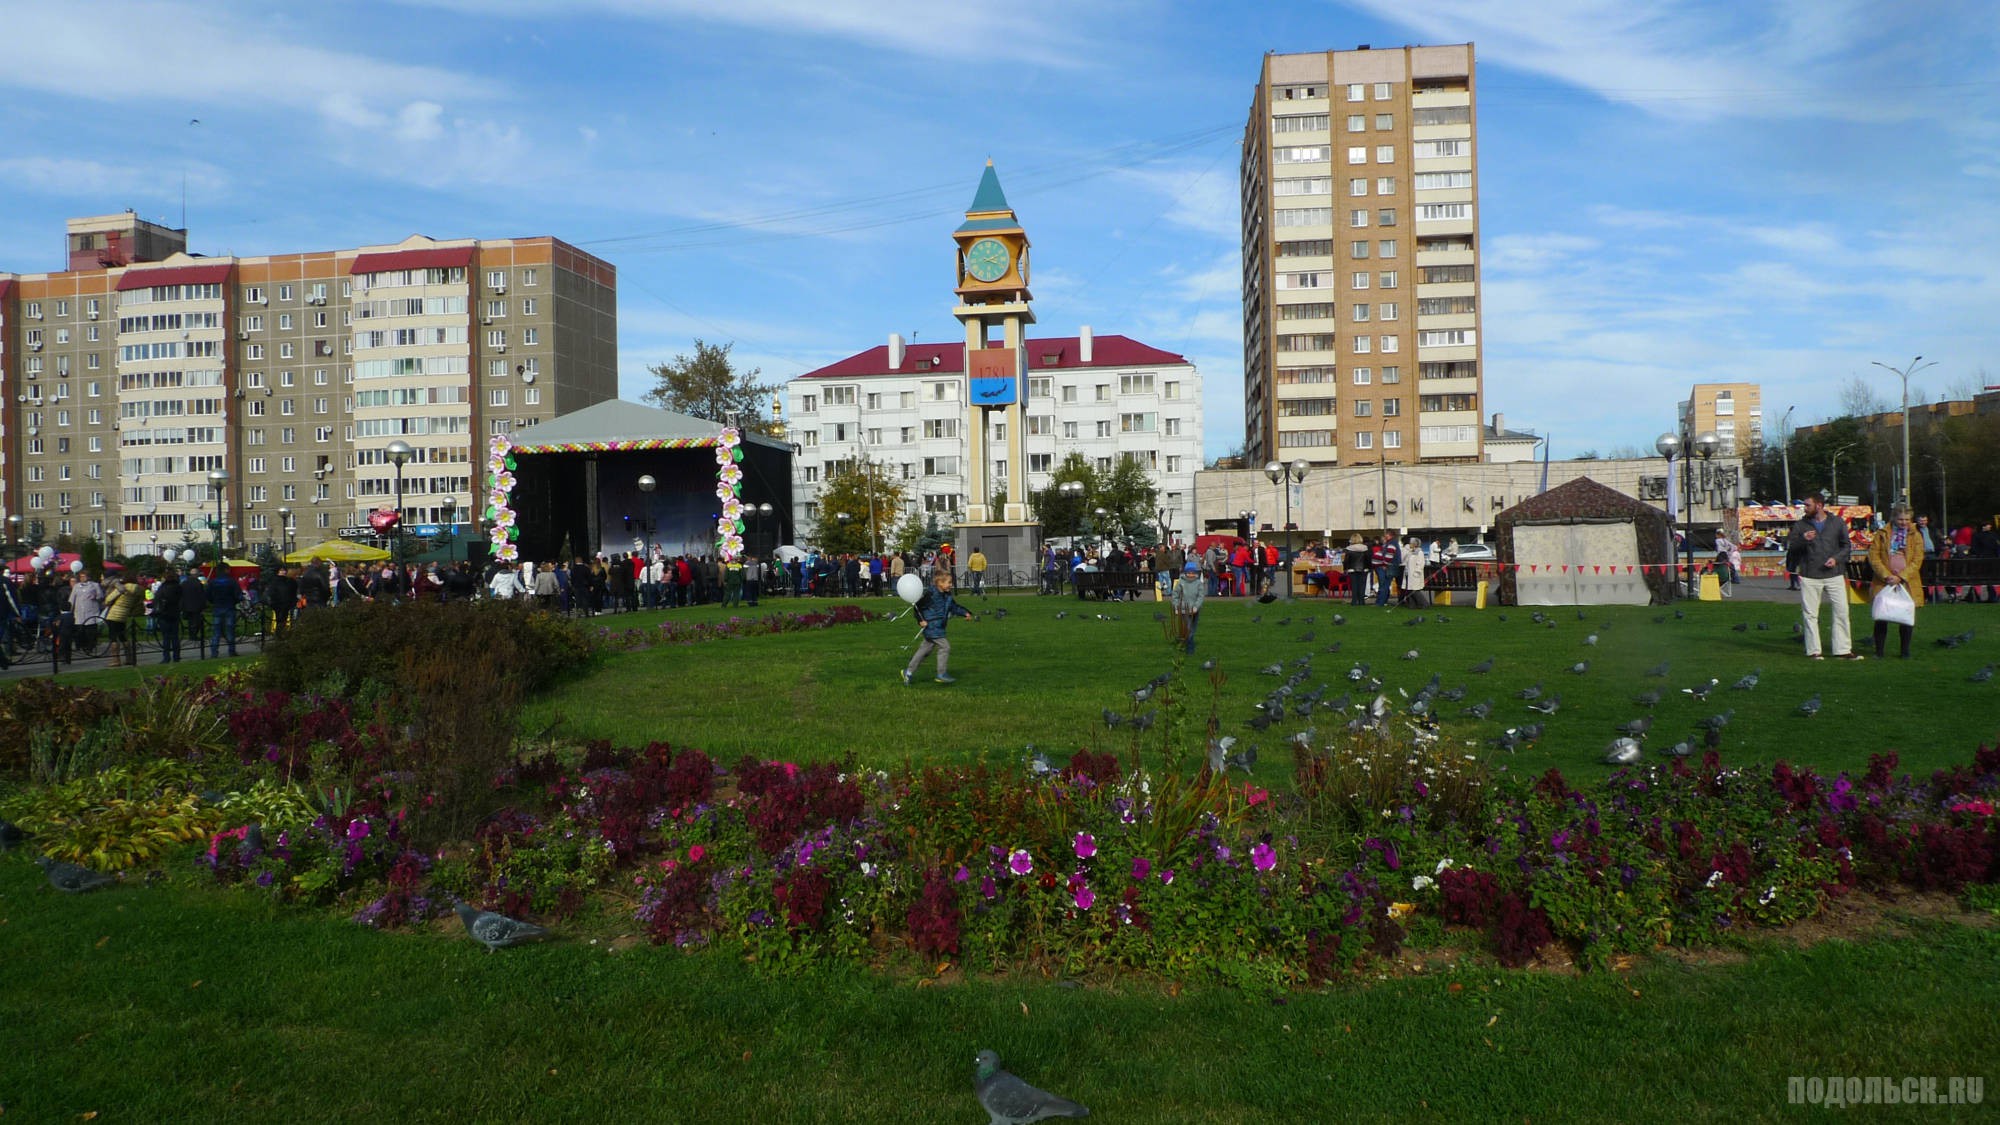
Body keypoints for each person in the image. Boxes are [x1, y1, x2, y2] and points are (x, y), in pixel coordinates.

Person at [1793, 492, 1861, 660]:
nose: (1804, 508)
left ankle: (1843, 650)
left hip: (1834, 574)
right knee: (1810, 614)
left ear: (1819, 505)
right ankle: (1814, 651)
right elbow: (1791, 546)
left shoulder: (1837, 522)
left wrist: (1836, 559)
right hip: (1809, 574)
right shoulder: (1801, 525)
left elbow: (1846, 546)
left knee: (1841, 611)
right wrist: (1803, 539)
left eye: (1808, 505)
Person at [1868, 506, 1925, 659]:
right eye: (1900, 519)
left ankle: (1905, 652)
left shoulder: (1916, 535)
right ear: (1893, 518)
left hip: (1907, 582)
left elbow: (1917, 559)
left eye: (1907, 519)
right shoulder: (1882, 534)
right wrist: (1886, 576)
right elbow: (1874, 557)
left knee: (1905, 616)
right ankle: (1879, 652)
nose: (1904, 522)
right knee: (1882, 616)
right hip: (1884, 581)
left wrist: (1901, 576)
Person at [902, 569, 974, 685]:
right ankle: (941, 673)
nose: (951, 585)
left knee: (924, 651)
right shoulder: (930, 594)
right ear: (940, 583)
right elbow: (917, 607)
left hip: (938, 627)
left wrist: (965, 612)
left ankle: (908, 671)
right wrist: (920, 620)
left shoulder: (947, 596)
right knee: (945, 647)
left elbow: (954, 607)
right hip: (932, 627)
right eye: (949, 582)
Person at [206, 566, 243, 658]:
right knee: (230, 631)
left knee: (216, 633)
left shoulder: (213, 582)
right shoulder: (232, 581)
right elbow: (238, 595)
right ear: (226, 570)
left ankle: (214, 653)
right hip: (229, 607)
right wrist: (235, 601)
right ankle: (231, 651)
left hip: (217, 607)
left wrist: (214, 601)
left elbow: (207, 595)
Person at [1171, 559, 1205, 655]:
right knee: (1188, 628)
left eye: (1192, 573)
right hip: (1184, 610)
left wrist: (1196, 607)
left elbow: (1201, 596)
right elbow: (1175, 595)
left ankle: (1184, 641)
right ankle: (1190, 648)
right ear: (1185, 573)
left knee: (1193, 628)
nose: (1190, 575)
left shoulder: (1198, 583)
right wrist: (1176, 607)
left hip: (1195, 610)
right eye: (1188, 573)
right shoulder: (1181, 582)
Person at [154, 567, 184, 663]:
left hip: (164, 614)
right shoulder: (178, 587)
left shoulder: (162, 588)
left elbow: (157, 600)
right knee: (175, 636)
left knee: (166, 637)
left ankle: (166, 657)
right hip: (174, 613)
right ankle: (176, 656)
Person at [1343, 533, 1371, 606]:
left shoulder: (1349, 549)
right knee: (1362, 586)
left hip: (1352, 569)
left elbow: (1346, 561)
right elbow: (1368, 559)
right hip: (1363, 569)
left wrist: (1345, 569)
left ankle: (1354, 601)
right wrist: (1369, 568)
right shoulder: (1365, 548)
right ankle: (1362, 601)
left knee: (1354, 586)